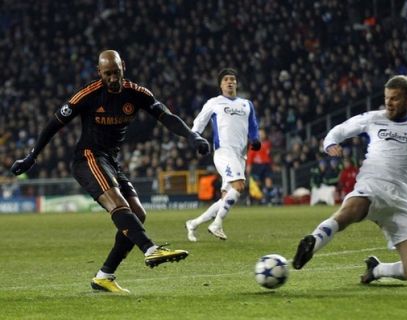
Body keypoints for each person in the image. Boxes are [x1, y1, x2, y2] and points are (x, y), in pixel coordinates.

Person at [10, 50, 210, 293]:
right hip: (88, 158)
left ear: (123, 66)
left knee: (138, 213)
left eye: (116, 72)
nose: (113, 78)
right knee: (117, 203)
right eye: (108, 74)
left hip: (110, 161)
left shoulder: (137, 94)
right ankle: (150, 249)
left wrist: (192, 135)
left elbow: (166, 117)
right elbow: (54, 124)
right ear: (99, 73)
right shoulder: (88, 95)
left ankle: (104, 276)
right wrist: (32, 156)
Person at [292, 75, 407, 284]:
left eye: (395, 98)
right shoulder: (374, 119)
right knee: (351, 210)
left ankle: (377, 270)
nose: (389, 103)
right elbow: (341, 129)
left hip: (400, 201)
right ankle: (313, 242)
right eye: (387, 98)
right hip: (372, 187)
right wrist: (330, 144)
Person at [185, 68, 261, 242]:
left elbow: (253, 125)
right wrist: (196, 140)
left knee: (227, 197)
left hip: (241, 155)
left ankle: (194, 223)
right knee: (239, 185)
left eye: (233, 79)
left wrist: (255, 139)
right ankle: (216, 224)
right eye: (226, 79)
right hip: (223, 152)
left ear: (236, 83)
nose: (230, 82)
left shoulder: (246, 104)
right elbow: (198, 123)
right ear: (220, 84)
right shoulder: (214, 102)